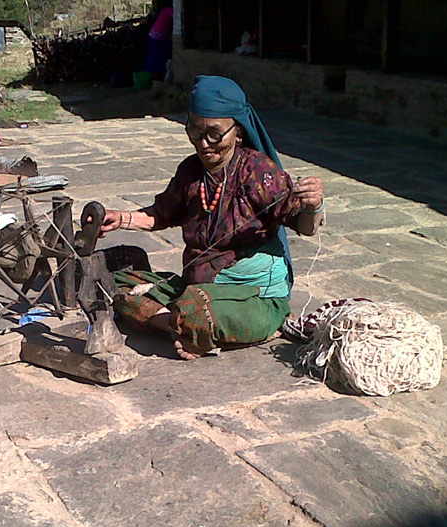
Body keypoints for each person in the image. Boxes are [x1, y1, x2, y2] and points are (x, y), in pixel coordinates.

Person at [96, 75, 325, 360]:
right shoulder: (191, 172)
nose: (204, 144)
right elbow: (160, 215)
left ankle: (200, 325)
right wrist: (121, 218)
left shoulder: (259, 173)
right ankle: (178, 328)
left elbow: (304, 226)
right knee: (114, 282)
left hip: (254, 299)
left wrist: (313, 206)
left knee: (195, 311)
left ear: (237, 132)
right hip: (200, 286)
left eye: (214, 134)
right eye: (195, 132)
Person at [146, 3, 174, 81]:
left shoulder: (165, 10)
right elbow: (178, 18)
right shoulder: (169, 11)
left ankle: (155, 75)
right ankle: (156, 75)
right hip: (158, 36)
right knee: (159, 56)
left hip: (154, 35)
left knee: (155, 55)